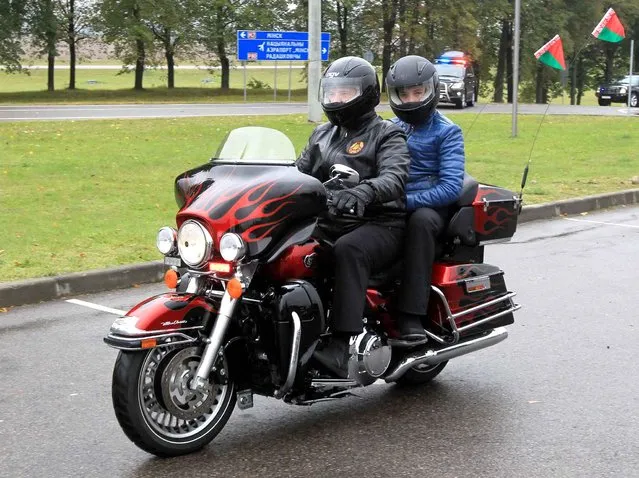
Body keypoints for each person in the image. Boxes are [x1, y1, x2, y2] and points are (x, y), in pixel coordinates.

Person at [297, 56, 411, 377]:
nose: (336, 100)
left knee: (349, 249)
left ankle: (339, 344)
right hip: (332, 219)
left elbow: (394, 177)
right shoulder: (321, 134)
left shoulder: (387, 134)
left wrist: (364, 191)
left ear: (368, 94)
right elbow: (297, 173)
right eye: (332, 93)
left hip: (381, 223)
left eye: (345, 93)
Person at [385, 55, 465, 340]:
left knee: (419, 224)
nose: (410, 100)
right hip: (392, 200)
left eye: (418, 92)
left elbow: (451, 187)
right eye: (403, 94)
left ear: (431, 90)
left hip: (432, 208)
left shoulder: (447, 131)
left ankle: (412, 317)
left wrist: (405, 202)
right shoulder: (390, 127)